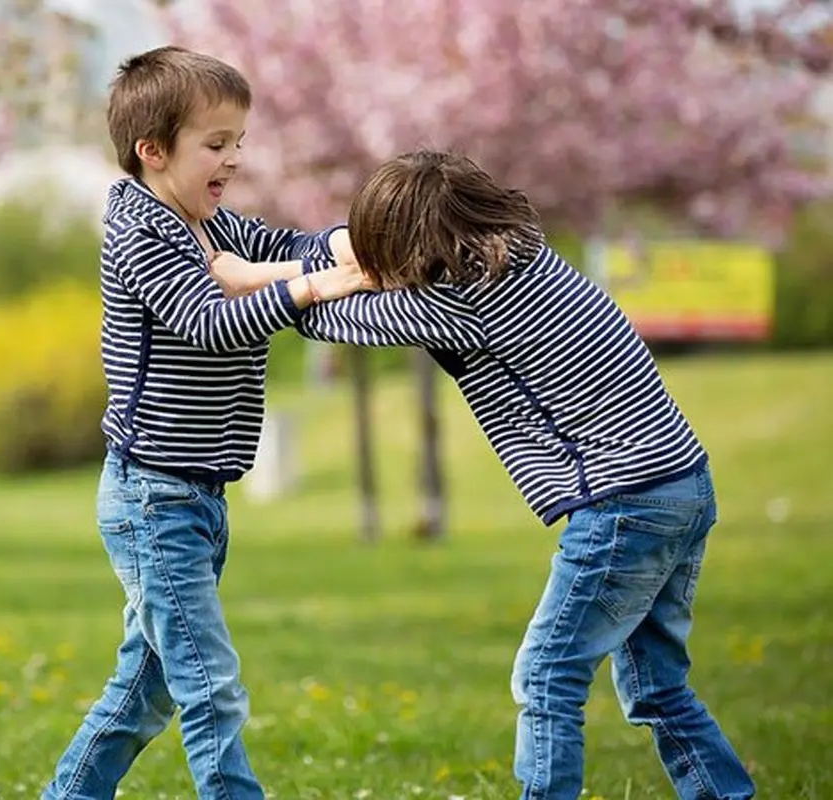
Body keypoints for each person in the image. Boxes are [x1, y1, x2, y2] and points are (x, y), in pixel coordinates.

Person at [211, 149, 755, 800]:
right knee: (656, 685)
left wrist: (241, 278)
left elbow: (328, 314)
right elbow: (365, 280)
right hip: (681, 483)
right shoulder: (523, 256)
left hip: (625, 500)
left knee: (548, 674)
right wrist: (314, 262)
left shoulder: (468, 300)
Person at [41, 46, 366, 800]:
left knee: (147, 690)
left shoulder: (206, 221)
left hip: (196, 498)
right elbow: (206, 322)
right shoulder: (140, 231)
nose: (234, 159)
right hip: (152, 497)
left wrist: (360, 243)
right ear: (153, 151)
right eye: (215, 145)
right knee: (208, 682)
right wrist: (311, 290)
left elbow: (290, 247)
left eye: (239, 143)